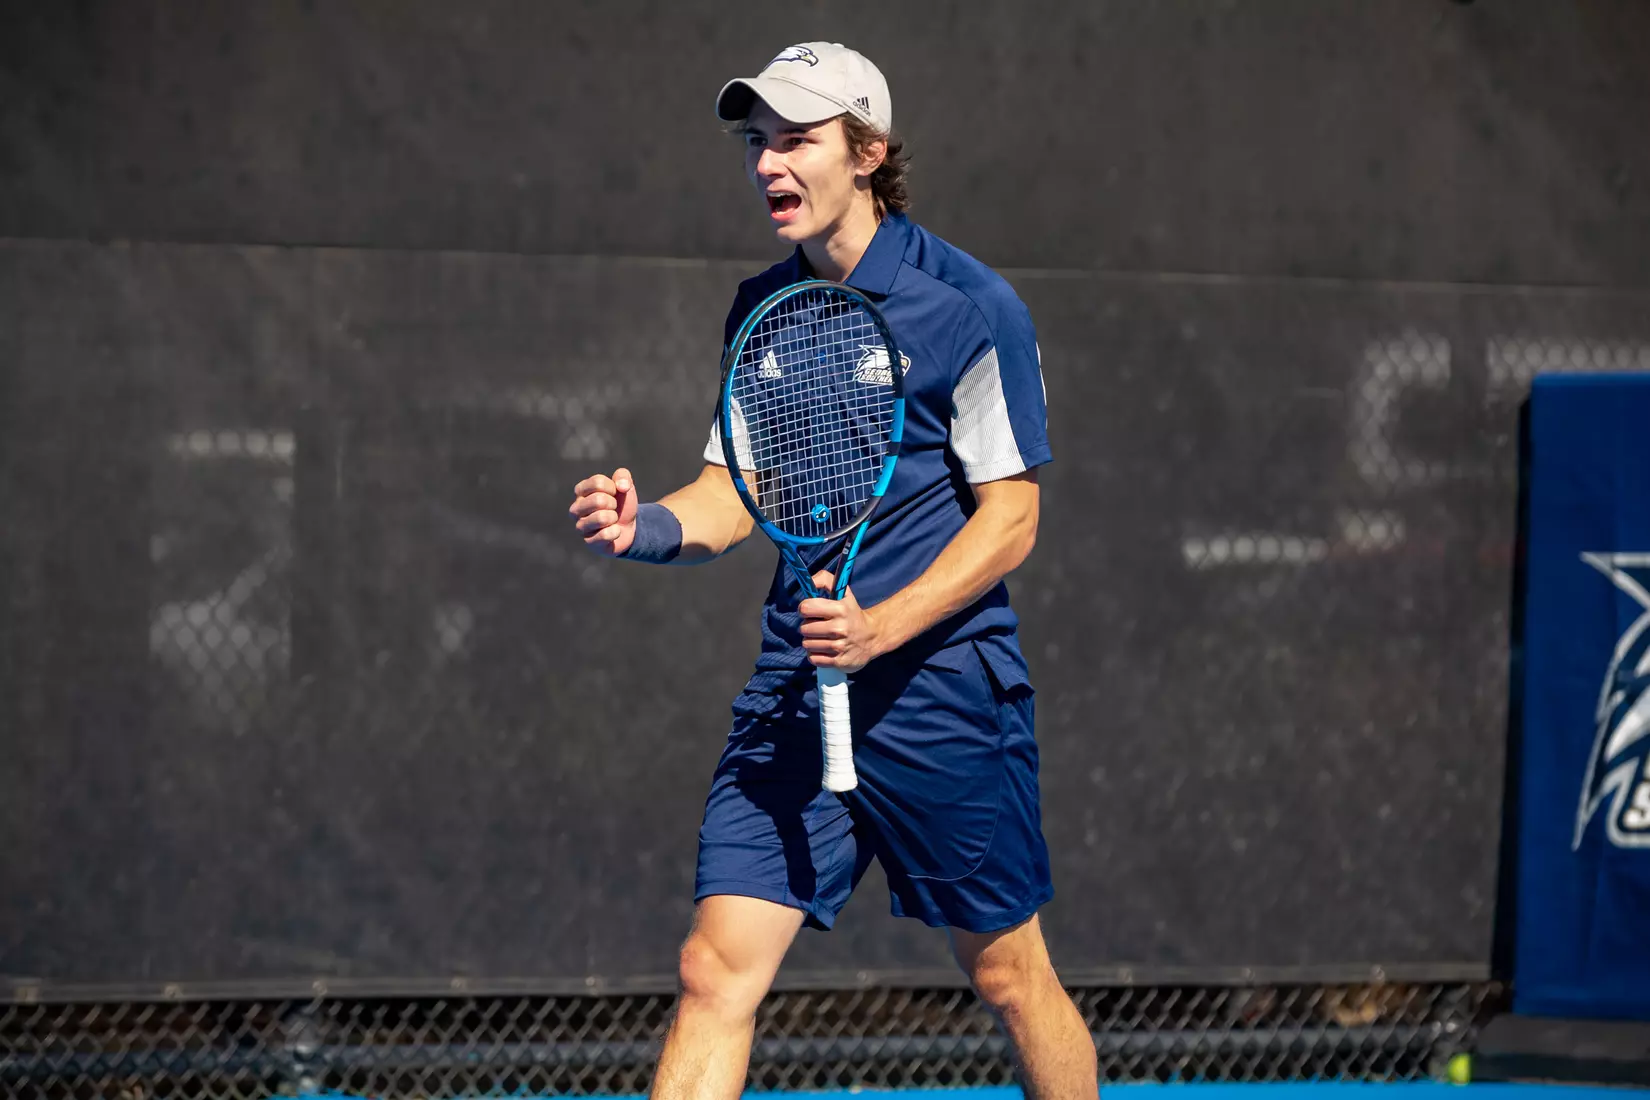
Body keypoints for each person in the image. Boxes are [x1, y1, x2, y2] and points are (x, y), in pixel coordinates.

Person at [567, 41, 1097, 1100]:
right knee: (713, 968)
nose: (768, 163)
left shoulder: (972, 306)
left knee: (1006, 969)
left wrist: (885, 625)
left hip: (941, 695)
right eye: (756, 142)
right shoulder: (764, 310)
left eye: (796, 139)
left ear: (869, 151)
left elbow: (1012, 519)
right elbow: (735, 493)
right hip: (794, 694)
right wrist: (649, 525)